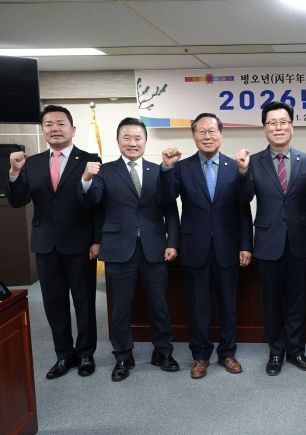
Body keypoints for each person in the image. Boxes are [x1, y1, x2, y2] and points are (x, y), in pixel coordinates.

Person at [79, 117, 180, 382]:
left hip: (154, 248)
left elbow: (170, 208)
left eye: (138, 138)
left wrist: (172, 242)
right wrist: (87, 178)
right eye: (127, 137)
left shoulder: (160, 170)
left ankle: (163, 351)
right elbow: (92, 201)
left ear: (145, 141)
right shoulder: (105, 171)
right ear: (118, 141)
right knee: (120, 309)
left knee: (160, 305)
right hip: (118, 248)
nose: (132, 143)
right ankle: (123, 356)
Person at [7, 105, 101, 379]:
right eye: (48, 124)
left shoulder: (90, 159)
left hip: (81, 244)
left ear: (73, 129)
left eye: (60, 123)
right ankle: (64, 355)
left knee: (84, 302)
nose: (55, 128)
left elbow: (97, 204)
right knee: (53, 303)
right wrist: (14, 172)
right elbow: (17, 200)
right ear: (43, 130)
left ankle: (86, 354)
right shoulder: (32, 162)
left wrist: (97, 240)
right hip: (45, 244)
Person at [158, 113, 253, 379]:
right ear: (194, 136)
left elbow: (244, 205)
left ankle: (227, 352)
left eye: (212, 131)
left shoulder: (235, 166)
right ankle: (200, 356)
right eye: (201, 131)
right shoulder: (181, 166)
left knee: (228, 304)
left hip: (227, 246)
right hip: (194, 246)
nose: (207, 136)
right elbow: (166, 198)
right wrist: (166, 168)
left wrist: (246, 244)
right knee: (198, 305)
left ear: (221, 134)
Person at [235, 102, 306, 376]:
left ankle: (296, 350)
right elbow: (243, 200)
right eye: (272, 123)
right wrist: (242, 172)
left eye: (283, 122)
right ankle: (275, 352)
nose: (278, 127)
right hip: (267, 242)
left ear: (292, 126)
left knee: (298, 300)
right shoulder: (253, 162)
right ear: (264, 128)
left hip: (300, 242)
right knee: (271, 302)